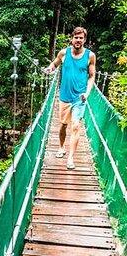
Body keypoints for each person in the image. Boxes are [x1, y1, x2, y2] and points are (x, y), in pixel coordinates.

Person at [45, 27, 96, 170]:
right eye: (76, 37)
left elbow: (92, 76)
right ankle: (61, 147)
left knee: (75, 126)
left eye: (81, 38)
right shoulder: (64, 53)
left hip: (79, 97)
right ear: (72, 38)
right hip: (64, 97)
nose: (78, 40)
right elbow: (54, 64)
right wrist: (50, 69)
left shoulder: (90, 56)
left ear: (84, 40)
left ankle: (71, 158)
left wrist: (87, 93)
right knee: (63, 125)